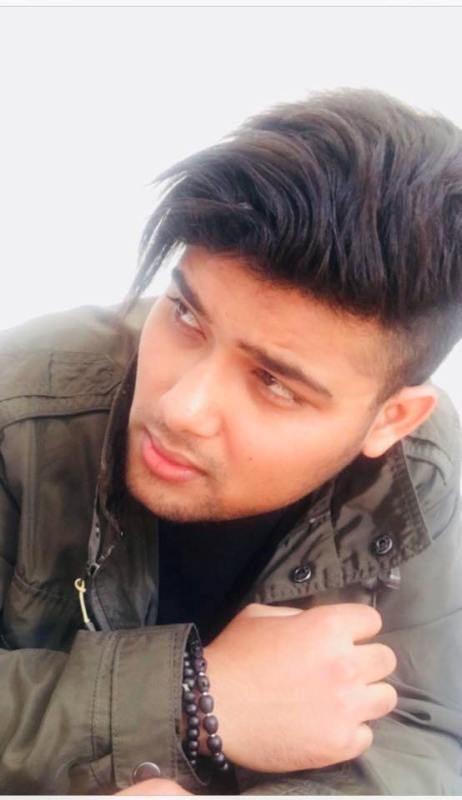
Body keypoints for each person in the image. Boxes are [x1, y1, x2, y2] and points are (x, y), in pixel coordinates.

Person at [0, 88, 461, 797]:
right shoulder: (20, 409)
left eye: (275, 383)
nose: (181, 408)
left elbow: (421, 733)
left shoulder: (422, 478)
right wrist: (189, 700)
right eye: (187, 315)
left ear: (391, 420)